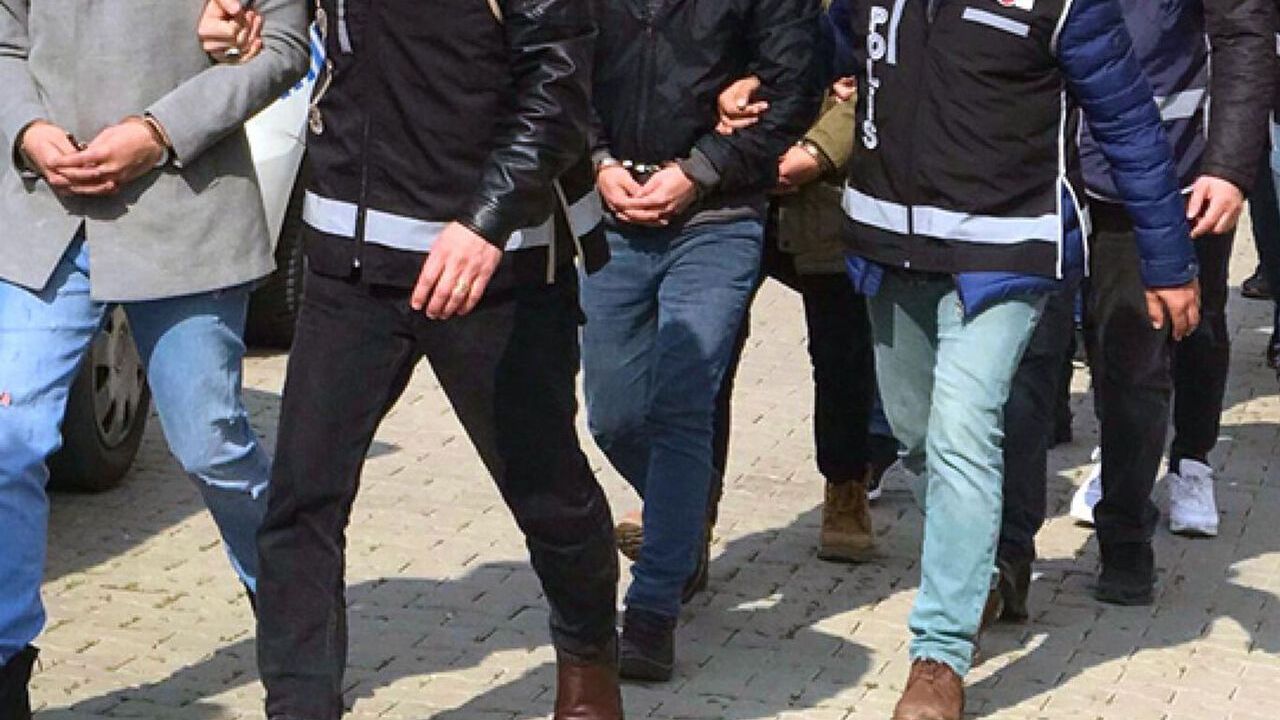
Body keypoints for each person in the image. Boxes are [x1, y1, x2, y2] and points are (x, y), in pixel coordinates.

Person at [251, 2, 625, 719]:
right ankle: (299, 706)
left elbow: (557, 82)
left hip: (489, 268)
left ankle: (587, 664)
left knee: (547, 492)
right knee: (301, 501)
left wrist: (486, 223)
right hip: (349, 261)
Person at [835, 0, 1200, 716]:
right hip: (889, 244)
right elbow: (827, 40)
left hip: (1005, 249)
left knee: (961, 431)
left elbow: (1128, 120)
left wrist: (1167, 258)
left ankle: (940, 655)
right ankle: (976, 566)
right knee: (918, 435)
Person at [0, 0, 307, 716]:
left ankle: (295, 609)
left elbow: (285, 44)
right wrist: (27, 130)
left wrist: (160, 131)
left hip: (184, 210)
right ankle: (6, 666)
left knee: (212, 445)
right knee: (7, 443)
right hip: (42, 215)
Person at [582, 0, 822, 683]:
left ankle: (652, 609)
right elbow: (558, 65)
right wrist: (596, 161)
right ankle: (682, 520)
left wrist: (701, 169)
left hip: (719, 217)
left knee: (682, 406)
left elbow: (792, 85)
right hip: (613, 215)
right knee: (613, 415)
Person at [1066, 0, 1273, 562]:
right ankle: (1121, 458)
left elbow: (1244, 37)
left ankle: (1192, 459)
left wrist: (1229, 167)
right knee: (1113, 325)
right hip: (1085, 161)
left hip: (1189, 163)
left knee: (1196, 319)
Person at [709, 66, 883, 564]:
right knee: (705, 354)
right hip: (729, 185)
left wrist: (821, 150)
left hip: (828, 199)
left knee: (841, 357)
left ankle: (846, 486)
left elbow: (882, 69)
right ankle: (688, 507)